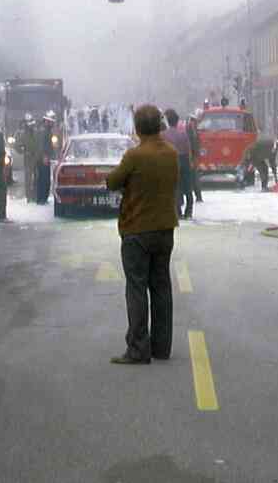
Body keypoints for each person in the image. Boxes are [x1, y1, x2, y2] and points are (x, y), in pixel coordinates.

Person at [105, 104, 178, 365]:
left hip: (136, 230)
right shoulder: (171, 153)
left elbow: (112, 181)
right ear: (159, 126)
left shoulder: (134, 156)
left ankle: (138, 347)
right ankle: (161, 346)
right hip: (165, 229)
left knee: (136, 287)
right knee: (161, 287)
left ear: (136, 129)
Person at [162, 109, 193, 219]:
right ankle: (189, 211)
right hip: (184, 160)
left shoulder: (164, 135)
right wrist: (190, 163)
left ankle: (178, 211)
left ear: (168, 121)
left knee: (176, 187)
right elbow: (188, 150)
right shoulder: (183, 134)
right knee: (188, 187)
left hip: (171, 161)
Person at [37, 111, 58, 204]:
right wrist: (44, 156)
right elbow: (41, 145)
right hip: (43, 159)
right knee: (43, 179)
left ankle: (43, 199)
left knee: (45, 179)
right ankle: (41, 199)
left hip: (45, 158)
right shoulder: (44, 131)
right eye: (50, 122)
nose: (52, 123)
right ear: (46, 121)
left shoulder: (47, 131)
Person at [19, 114, 39, 203]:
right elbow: (17, 145)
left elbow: (40, 144)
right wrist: (23, 151)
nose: (32, 126)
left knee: (36, 178)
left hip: (36, 158)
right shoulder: (23, 135)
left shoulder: (36, 133)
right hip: (28, 158)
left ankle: (35, 195)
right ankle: (28, 196)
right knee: (28, 179)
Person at [186, 111, 203, 203]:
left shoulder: (194, 130)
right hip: (190, 157)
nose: (195, 122)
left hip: (193, 157)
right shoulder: (189, 130)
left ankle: (198, 196)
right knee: (192, 177)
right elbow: (190, 144)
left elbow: (196, 144)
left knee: (194, 177)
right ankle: (197, 196)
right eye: (193, 121)